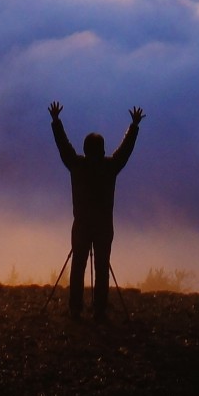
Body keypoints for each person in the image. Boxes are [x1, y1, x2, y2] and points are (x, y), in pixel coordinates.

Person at [49, 100, 142, 320]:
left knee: (78, 266)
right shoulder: (110, 166)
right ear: (102, 149)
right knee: (101, 269)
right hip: (103, 226)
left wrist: (56, 121)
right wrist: (134, 126)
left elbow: (63, 146)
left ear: (85, 149)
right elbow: (125, 152)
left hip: (81, 224)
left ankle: (75, 309)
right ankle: (99, 310)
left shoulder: (77, 165)